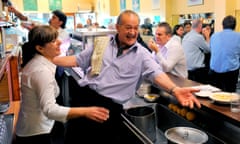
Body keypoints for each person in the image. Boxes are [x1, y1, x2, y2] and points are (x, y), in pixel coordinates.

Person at [53, 10, 201, 144]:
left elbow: (157, 74)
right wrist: (49, 59)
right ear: (117, 28)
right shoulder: (102, 43)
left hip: (107, 109)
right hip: (83, 98)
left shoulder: (142, 55)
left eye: (136, 28)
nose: (132, 32)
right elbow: (77, 60)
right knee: (73, 138)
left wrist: (175, 90)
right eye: (128, 27)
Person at [14, 25, 109, 144]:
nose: (59, 42)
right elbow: (50, 109)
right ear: (40, 48)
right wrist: (86, 111)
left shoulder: (40, 63)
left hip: (37, 127)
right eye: (53, 41)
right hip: (35, 134)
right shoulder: (41, 72)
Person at [209, 15, 240, 92]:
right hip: (230, 72)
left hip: (214, 71)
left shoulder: (214, 36)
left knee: (215, 93)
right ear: (235, 26)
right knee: (230, 94)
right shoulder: (238, 36)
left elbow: (211, 50)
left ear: (222, 25)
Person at [182, 19, 211, 84]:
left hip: (187, 69)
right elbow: (208, 50)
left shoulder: (186, 36)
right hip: (197, 70)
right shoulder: (198, 37)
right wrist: (207, 36)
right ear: (200, 26)